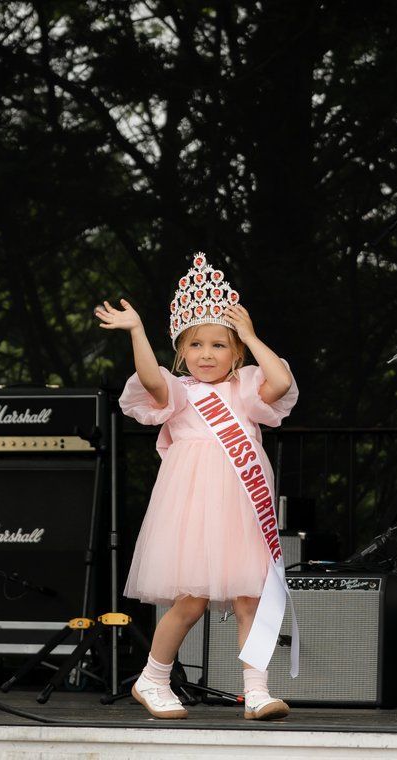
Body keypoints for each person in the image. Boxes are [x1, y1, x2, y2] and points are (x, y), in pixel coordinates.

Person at [94, 252, 298, 721]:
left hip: (242, 510)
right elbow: (148, 378)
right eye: (196, 346)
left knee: (251, 597)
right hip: (193, 509)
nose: (207, 355)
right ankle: (154, 677)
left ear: (237, 354)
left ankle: (257, 691)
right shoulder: (179, 391)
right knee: (191, 601)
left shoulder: (246, 388)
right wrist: (137, 331)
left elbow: (282, 380)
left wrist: (249, 333)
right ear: (182, 352)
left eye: (220, 346)